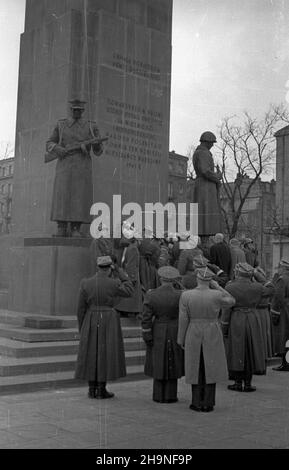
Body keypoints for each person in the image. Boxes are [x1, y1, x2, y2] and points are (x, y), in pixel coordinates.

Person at [75, 256, 134, 399]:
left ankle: (91, 389)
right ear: (109, 269)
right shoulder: (113, 283)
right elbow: (129, 290)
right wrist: (120, 273)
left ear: (98, 267)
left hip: (90, 317)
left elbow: (80, 308)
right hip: (108, 319)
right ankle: (101, 389)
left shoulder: (86, 283)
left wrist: (82, 327)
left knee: (91, 353)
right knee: (105, 353)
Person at [178, 267, 235, 412]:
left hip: (193, 329)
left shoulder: (186, 295)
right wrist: (217, 286)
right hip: (212, 330)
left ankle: (196, 401)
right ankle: (208, 402)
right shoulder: (216, 294)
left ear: (197, 278)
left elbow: (183, 319)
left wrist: (181, 338)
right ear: (210, 280)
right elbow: (232, 301)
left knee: (195, 365)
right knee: (211, 365)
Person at [46, 99, 104, 238]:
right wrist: (58, 149)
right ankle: (61, 226)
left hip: (82, 164)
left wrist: (94, 144)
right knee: (62, 196)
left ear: (83, 111)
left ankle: (75, 228)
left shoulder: (91, 126)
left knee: (79, 196)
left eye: (79, 110)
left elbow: (99, 150)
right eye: (74, 109)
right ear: (71, 109)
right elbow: (49, 143)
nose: (76, 112)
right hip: (64, 164)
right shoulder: (61, 125)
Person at [222, 262, 274, 392]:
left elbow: (226, 310)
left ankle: (238, 383)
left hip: (236, 318)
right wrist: (259, 276)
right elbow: (272, 288)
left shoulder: (230, 287)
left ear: (237, 273)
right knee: (251, 350)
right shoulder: (257, 287)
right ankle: (248, 384)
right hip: (253, 318)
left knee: (237, 350)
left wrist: (224, 327)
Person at [142, 267, 184, 403]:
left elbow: (146, 318)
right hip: (174, 329)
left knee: (159, 361)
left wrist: (147, 335)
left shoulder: (151, 294)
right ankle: (171, 395)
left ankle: (158, 395)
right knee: (173, 359)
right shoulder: (180, 294)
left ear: (160, 279)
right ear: (174, 280)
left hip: (158, 329)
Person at [192, 131, 222, 238]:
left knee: (204, 211)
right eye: (212, 142)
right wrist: (217, 176)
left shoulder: (199, 152)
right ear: (207, 142)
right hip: (206, 186)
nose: (213, 145)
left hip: (204, 185)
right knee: (206, 210)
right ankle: (206, 234)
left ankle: (205, 232)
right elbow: (205, 171)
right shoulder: (202, 153)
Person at [115, 228, 143, 317]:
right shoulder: (133, 249)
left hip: (126, 274)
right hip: (132, 275)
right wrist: (132, 278)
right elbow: (131, 265)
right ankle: (130, 311)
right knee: (132, 296)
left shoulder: (128, 248)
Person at [270, 259, 289, 371]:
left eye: (280, 267)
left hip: (284, 311)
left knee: (283, 337)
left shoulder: (282, 280)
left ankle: (285, 364)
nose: (279, 270)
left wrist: (275, 313)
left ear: (284, 268)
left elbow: (278, 298)